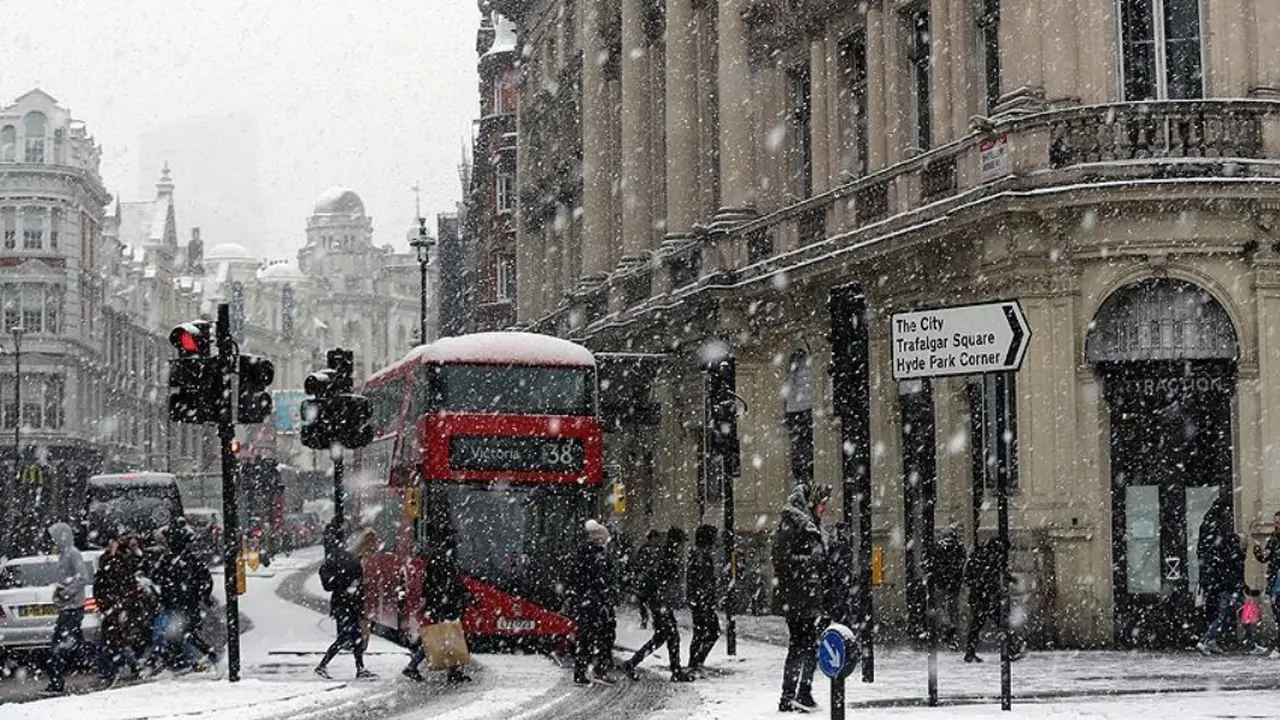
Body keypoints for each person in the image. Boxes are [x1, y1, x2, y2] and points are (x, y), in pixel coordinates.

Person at [772, 483, 830, 713]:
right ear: (810, 503)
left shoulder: (810, 524)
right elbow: (780, 558)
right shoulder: (792, 524)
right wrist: (809, 564)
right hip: (797, 597)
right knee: (801, 644)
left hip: (809, 596)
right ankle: (793, 695)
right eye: (821, 504)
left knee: (808, 645)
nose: (824, 509)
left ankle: (799, 693)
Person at [620, 527, 692, 682]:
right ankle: (674, 670)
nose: (682, 547)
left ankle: (634, 663)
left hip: (659, 602)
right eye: (682, 543)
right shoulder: (668, 556)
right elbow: (661, 581)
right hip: (660, 603)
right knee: (670, 635)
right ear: (677, 542)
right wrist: (662, 600)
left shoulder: (665, 554)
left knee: (664, 636)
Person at [403, 533, 473, 684]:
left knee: (445, 635)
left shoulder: (437, 558)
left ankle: (452, 671)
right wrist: (462, 595)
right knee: (442, 636)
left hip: (439, 603)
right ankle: (413, 666)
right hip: (444, 605)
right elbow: (451, 583)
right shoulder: (445, 560)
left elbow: (435, 583)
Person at [153, 522, 219, 673]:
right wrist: (203, 595)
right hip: (182, 604)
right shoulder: (183, 560)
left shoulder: (175, 560)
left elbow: (157, 577)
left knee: (183, 634)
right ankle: (178, 662)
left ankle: (210, 657)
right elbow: (205, 579)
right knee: (180, 634)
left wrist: (201, 594)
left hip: (181, 604)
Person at [316, 527, 378, 679]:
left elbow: (354, 586)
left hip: (345, 604)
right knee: (346, 637)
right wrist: (350, 589)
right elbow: (352, 585)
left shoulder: (351, 559)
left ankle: (359, 668)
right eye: (371, 548)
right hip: (345, 605)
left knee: (355, 637)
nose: (371, 552)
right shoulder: (351, 561)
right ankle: (322, 665)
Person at [565, 519, 618, 685]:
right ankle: (596, 669)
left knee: (588, 637)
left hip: (589, 601)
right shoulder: (593, 554)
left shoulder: (586, 552)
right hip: (593, 601)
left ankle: (584, 670)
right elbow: (598, 578)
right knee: (599, 637)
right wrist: (602, 595)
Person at [44, 522, 91, 694]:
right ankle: (109, 664)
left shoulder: (72, 553)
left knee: (59, 644)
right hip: (68, 607)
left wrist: (66, 593)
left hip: (73, 607)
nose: (53, 541)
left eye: (55, 537)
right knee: (78, 644)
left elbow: (83, 577)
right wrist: (59, 592)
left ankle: (56, 682)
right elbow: (66, 579)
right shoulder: (64, 554)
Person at [95, 532, 147, 684]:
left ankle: (119, 668)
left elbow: (138, 564)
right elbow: (107, 571)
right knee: (114, 640)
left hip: (122, 605)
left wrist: (136, 550)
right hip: (115, 605)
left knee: (117, 640)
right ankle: (122, 667)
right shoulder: (109, 561)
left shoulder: (124, 559)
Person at [962, 535, 1023, 663]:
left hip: (978, 595)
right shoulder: (994, 556)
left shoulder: (977, 555)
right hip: (989, 596)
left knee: (977, 625)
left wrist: (976, 585)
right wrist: (1010, 579)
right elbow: (999, 572)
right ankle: (1011, 649)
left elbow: (967, 576)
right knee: (1001, 623)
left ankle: (970, 652)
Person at [1198, 530, 1245, 655]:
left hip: (1228, 588)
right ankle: (1206, 639)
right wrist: (1237, 587)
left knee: (1230, 615)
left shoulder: (1223, 554)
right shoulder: (1234, 554)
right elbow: (1235, 573)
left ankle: (1207, 640)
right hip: (1231, 589)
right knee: (1228, 615)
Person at [686, 524, 721, 678]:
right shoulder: (702, 556)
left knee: (700, 633)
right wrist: (706, 599)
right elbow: (703, 581)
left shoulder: (699, 554)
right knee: (710, 632)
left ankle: (695, 663)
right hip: (702, 601)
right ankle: (696, 663)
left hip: (700, 600)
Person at [932, 526, 968, 649]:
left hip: (943, 583)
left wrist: (939, 576)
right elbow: (961, 563)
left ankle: (947, 626)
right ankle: (952, 627)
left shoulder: (939, 548)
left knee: (942, 606)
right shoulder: (958, 548)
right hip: (953, 583)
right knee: (952, 606)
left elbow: (935, 564)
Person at [1251, 510, 1280, 653]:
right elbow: (1265, 558)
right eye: (1276, 521)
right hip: (1276, 582)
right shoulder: (1274, 539)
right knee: (1277, 613)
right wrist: (1257, 550)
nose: (1277, 524)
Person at [632, 529, 661, 630]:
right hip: (645, 578)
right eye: (654, 538)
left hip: (654, 579)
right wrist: (644, 569)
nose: (656, 540)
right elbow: (639, 562)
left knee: (654, 602)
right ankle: (644, 620)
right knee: (643, 601)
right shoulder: (644, 548)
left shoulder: (659, 549)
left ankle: (655, 621)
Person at [1240, 587, 1266, 653]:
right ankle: (1253, 647)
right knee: (1252, 635)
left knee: (1249, 635)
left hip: (1247, 621)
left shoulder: (1249, 601)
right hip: (1250, 622)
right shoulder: (1252, 603)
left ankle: (1250, 647)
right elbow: (1254, 614)